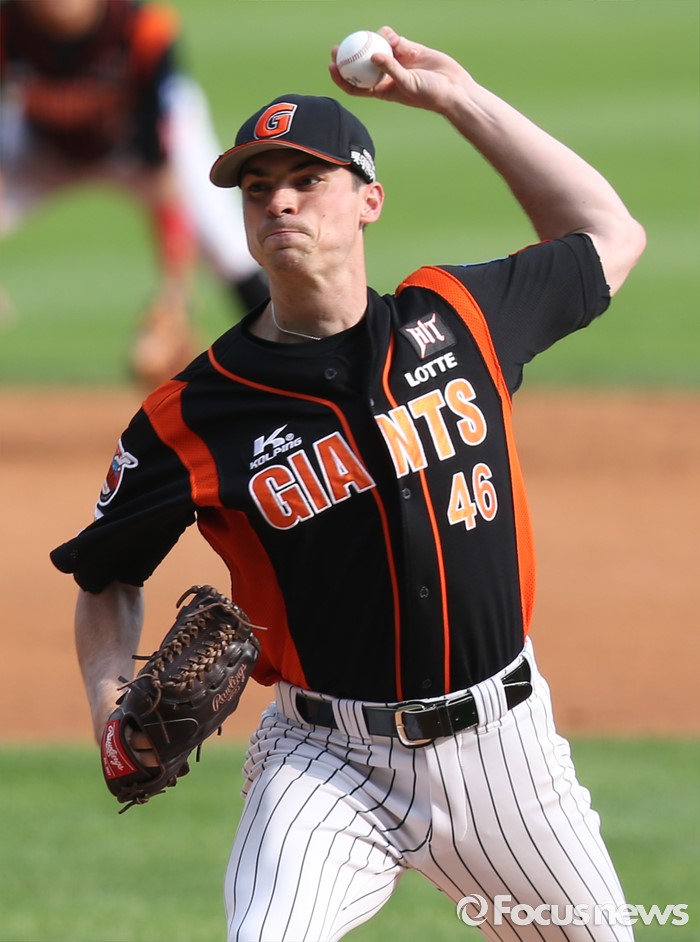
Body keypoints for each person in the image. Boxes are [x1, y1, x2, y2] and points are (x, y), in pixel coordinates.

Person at [50, 25, 646, 941]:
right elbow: (106, 575)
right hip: (323, 764)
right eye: (257, 188)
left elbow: (610, 234)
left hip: (507, 754)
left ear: (369, 199)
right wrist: (106, 712)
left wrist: (459, 98)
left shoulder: (460, 317)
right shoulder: (194, 412)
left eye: (306, 179)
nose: (279, 201)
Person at [0, 0, 267, 386]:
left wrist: (175, 292)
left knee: (230, 249)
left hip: (135, 145)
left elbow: (162, 177)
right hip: (42, 149)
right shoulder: (7, 25)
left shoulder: (144, 33)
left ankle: (294, 368)